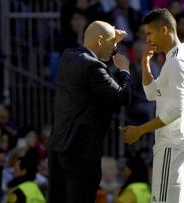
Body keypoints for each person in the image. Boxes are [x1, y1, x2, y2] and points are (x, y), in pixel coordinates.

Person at [48, 20, 132, 203]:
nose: (115, 49)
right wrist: (125, 70)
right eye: (112, 44)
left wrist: (112, 40)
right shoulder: (92, 67)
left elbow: (95, 53)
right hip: (81, 153)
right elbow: (122, 97)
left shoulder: (68, 56)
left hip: (58, 147)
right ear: (100, 41)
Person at [122, 8, 184, 203]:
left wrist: (140, 130)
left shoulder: (177, 62)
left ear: (164, 30)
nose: (147, 39)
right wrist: (145, 64)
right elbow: (152, 94)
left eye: (149, 33)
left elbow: (175, 110)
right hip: (182, 142)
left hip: (172, 144)